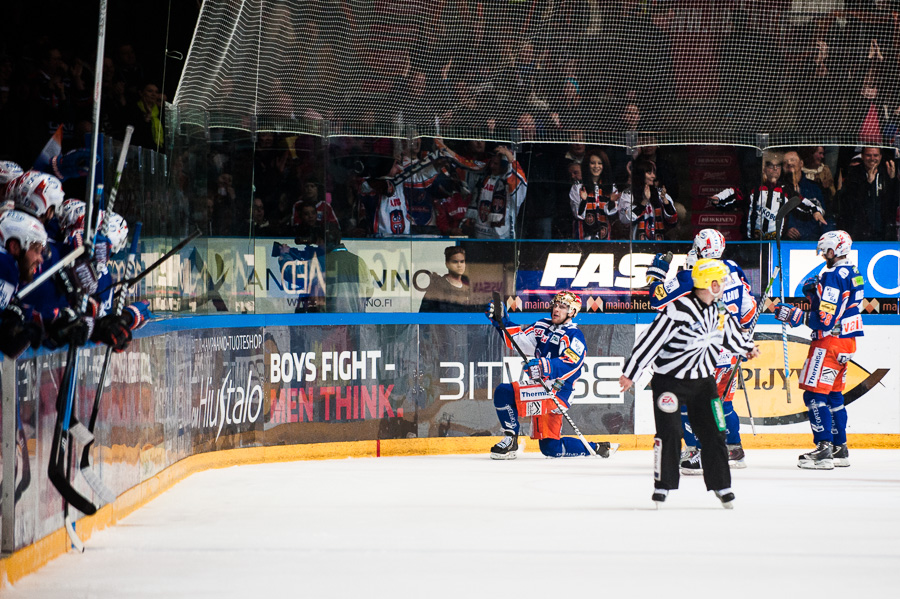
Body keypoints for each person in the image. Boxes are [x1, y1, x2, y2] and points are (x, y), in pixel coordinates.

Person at [620, 259, 760, 508]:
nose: (725, 285)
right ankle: (663, 486)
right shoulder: (677, 309)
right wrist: (631, 373)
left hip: (703, 383)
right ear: (711, 283)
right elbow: (649, 342)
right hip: (669, 382)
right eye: (722, 281)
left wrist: (747, 348)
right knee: (670, 433)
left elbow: (732, 336)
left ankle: (722, 485)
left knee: (715, 433)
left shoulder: (720, 309)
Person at [645, 229, 758, 473]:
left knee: (687, 405)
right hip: (727, 352)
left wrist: (656, 272)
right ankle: (733, 449)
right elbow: (749, 311)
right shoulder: (734, 269)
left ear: (697, 248)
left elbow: (656, 298)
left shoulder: (690, 276)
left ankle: (696, 453)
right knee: (723, 403)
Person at [486, 291, 616, 459]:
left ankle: (511, 443)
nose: (556, 309)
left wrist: (542, 366)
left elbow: (571, 363)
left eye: (562, 307)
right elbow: (522, 342)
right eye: (555, 305)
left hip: (558, 392)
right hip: (541, 387)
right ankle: (598, 448)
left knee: (504, 392)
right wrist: (502, 322)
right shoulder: (543, 325)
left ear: (572, 312)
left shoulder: (574, 335)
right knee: (551, 448)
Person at [774, 231, 864, 469]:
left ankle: (823, 449)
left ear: (834, 250)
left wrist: (794, 314)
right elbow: (842, 306)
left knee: (814, 395)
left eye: (826, 251)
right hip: (847, 342)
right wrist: (815, 294)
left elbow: (824, 319)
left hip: (829, 343)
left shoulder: (832, 275)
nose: (824, 255)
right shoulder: (853, 272)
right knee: (834, 395)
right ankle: (839, 447)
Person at [463, 145, 527, 239]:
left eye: (496, 164)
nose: (492, 166)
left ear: (504, 166)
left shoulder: (510, 183)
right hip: (480, 234)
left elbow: (520, 179)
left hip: (502, 237)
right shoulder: (484, 179)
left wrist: (509, 157)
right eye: (491, 162)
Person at [838, 147, 897, 242]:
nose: (872, 158)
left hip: (883, 230)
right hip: (860, 230)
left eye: (876, 155)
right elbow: (850, 201)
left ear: (881, 156)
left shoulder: (886, 173)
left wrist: (892, 179)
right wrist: (868, 183)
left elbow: (894, 201)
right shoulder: (853, 173)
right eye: (868, 155)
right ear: (862, 156)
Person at [618, 160, 677, 240]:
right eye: (649, 173)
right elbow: (624, 219)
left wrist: (665, 201)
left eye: (654, 173)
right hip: (636, 245)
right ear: (640, 175)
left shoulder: (660, 193)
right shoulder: (628, 194)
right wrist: (644, 201)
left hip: (659, 243)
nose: (653, 176)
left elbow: (673, 220)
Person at [780, 150, 830, 241]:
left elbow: (825, 217)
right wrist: (784, 231)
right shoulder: (778, 189)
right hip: (785, 242)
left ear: (801, 163)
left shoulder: (815, 188)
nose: (789, 163)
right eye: (785, 162)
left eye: (792, 160)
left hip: (811, 242)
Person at [569, 149, 620, 240]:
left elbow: (612, 213)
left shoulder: (610, 187)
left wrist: (611, 201)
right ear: (587, 165)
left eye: (600, 163)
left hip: (604, 235)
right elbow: (578, 215)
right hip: (582, 235)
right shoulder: (578, 187)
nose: (596, 166)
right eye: (593, 163)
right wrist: (584, 201)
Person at [419, 246, 471, 312]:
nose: (459, 265)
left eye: (462, 262)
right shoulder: (436, 287)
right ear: (447, 264)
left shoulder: (469, 287)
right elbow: (425, 315)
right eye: (455, 262)